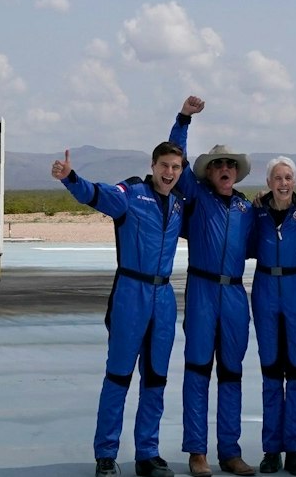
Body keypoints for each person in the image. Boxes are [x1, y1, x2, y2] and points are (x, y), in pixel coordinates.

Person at [54, 138, 193, 477]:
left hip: (164, 298)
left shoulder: (178, 205)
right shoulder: (131, 194)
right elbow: (97, 195)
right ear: (153, 165)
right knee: (118, 376)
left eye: (176, 167)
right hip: (131, 293)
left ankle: (148, 453)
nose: (170, 172)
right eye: (164, 166)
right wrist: (72, 178)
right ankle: (106, 454)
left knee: (156, 378)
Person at [167, 95, 259, 477]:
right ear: (209, 172)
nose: (224, 169)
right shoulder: (196, 196)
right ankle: (197, 452)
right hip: (202, 289)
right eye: (218, 164)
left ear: (236, 173)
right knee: (198, 370)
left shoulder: (247, 210)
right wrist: (184, 119)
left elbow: (268, 242)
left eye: (229, 165)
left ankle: (230, 452)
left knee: (233, 372)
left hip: (236, 294)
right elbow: (176, 157)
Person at [249, 155, 296, 475]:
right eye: (278, 177)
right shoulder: (256, 212)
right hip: (264, 291)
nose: (283, 183)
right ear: (268, 183)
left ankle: (295, 450)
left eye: (288, 177)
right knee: (272, 371)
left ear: (295, 181)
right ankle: (272, 448)